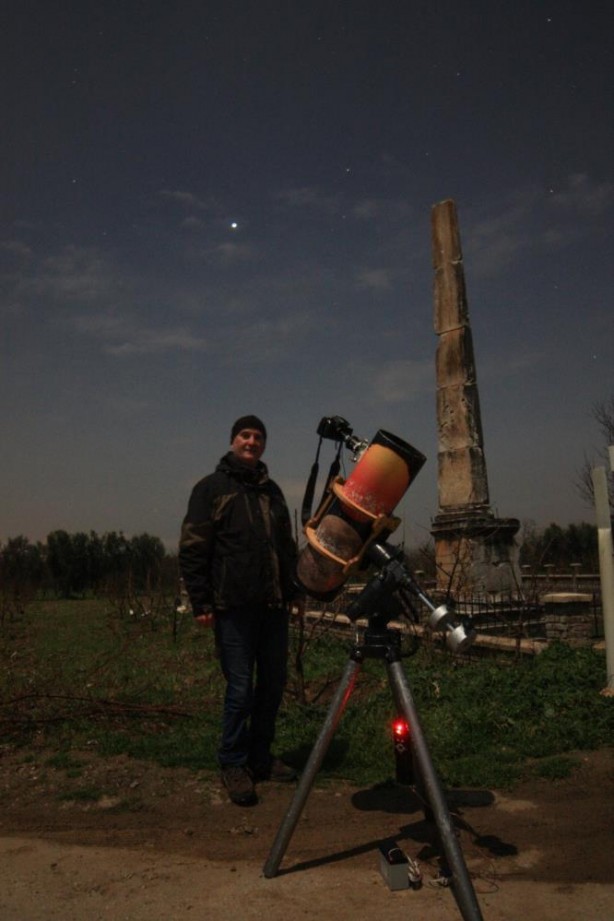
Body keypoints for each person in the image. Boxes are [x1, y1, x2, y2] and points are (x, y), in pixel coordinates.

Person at [179, 415, 301, 806]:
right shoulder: (210, 489)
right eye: (245, 436)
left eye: (259, 437)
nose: (252, 442)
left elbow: (286, 547)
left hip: (273, 606)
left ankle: (260, 757)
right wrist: (200, 600)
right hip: (233, 607)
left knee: (272, 685)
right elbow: (194, 547)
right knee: (239, 689)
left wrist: (295, 591)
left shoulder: (274, 492)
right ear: (233, 441)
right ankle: (233, 762)